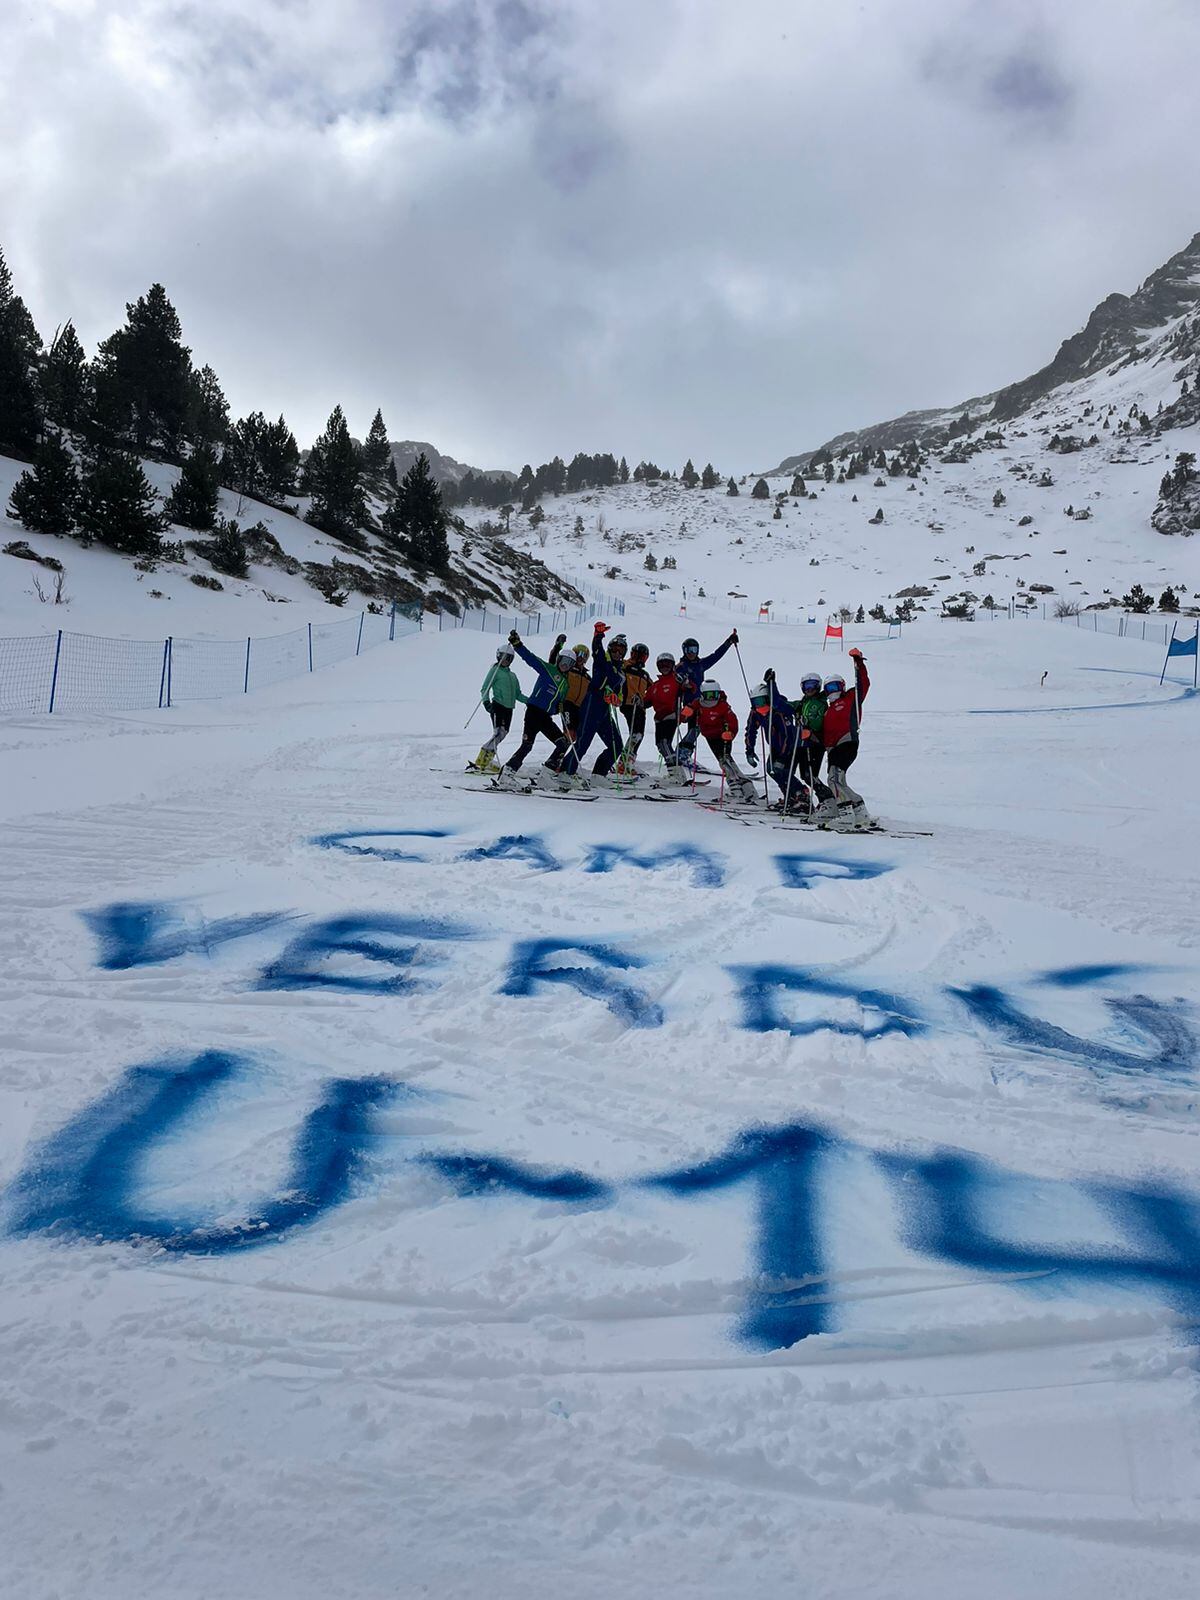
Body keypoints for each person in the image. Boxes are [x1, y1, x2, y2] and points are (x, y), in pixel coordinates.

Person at [497, 631, 573, 787]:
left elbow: (558, 703)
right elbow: (530, 658)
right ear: (559, 659)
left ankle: (547, 774)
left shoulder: (566, 684)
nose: (565, 665)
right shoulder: (548, 670)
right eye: (563, 660)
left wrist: (558, 708)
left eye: (569, 663)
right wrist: (517, 644)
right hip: (533, 712)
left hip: (545, 717)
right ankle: (507, 773)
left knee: (563, 744)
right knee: (527, 745)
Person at [680, 680, 758, 803]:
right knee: (726, 761)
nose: (711, 699)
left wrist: (730, 733)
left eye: (714, 695)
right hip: (710, 737)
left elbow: (732, 721)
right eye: (709, 695)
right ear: (703, 694)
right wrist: (686, 712)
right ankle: (747, 787)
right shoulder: (698, 704)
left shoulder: (723, 706)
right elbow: (685, 715)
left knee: (725, 761)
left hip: (723, 737)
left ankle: (736, 789)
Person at [744, 670, 812, 812]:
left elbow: (787, 735)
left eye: (761, 701)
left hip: (790, 746)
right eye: (755, 702)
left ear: (768, 699)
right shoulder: (756, 713)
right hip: (775, 747)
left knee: (781, 770)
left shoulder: (778, 712)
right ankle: (790, 796)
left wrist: (781, 757)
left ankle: (801, 794)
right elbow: (751, 730)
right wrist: (749, 750)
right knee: (772, 770)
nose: (758, 705)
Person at [821, 648, 871, 827]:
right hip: (834, 750)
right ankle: (860, 811)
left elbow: (863, 684)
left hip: (847, 742)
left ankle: (845, 813)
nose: (832, 691)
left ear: (841, 687)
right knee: (839, 780)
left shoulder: (851, 698)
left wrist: (859, 663)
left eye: (835, 687)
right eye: (828, 689)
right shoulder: (828, 710)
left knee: (833, 780)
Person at [676, 630, 739, 764]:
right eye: (688, 650)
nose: (691, 652)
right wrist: (684, 683)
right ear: (684, 651)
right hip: (690, 706)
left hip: (704, 704)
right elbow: (676, 678)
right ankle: (682, 752)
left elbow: (716, 655)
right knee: (695, 728)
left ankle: (684, 752)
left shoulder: (700, 664)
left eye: (694, 649)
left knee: (698, 729)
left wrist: (728, 642)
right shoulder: (681, 666)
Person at [473, 645, 527, 772]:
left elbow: (518, 694)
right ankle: (483, 759)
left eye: (509, 658)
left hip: (509, 708)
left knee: (504, 733)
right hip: (498, 705)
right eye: (503, 657)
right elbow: (485, 688)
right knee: (498, 732)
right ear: (498, 656)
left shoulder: (513, 676)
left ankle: (486, 757)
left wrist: (530, 702)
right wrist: (486, 703)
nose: (506, 660)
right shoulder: (494, 671)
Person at [588, 623, 629, 779]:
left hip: (604, 711)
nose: (617, 653)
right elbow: (596, 650)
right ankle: (563, 770)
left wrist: (614, 700)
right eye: (614, 649)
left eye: (621, 651)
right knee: (582, 743)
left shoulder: (621, 672)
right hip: (591, 706)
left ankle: (599, 775)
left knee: (616, 745)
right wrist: (598, 635)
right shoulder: (604, 659)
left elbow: (620, 698)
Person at [790, 670, 835, 811]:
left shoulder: (819, 703)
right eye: (806, 686)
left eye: (812, 686)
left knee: (809, 774)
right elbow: (790, 705)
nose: (809, 689)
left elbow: (818, 722)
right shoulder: (805, 702)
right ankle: (825, 801)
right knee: (805, 774)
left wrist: (807, 723)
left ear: (818, 687)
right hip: (806, 743)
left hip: (815, 743)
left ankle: (828, 800)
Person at [646, 650, 688, 780]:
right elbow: (647, 701)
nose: (665, 667)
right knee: (661, 745)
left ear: (672, 666)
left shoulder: (675, 679)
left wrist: (685, 684)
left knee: (664, 743)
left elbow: (690, 689)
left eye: (667, 665)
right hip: (659, 719)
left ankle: (676, 774)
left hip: (671, 715)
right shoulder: (655, 685)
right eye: (662, 665)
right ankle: (675, 772)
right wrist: (639, 701)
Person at [617, 642, 653, 773]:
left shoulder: (644, 674)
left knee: (639, 735)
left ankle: (627, 762)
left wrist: (647, 702)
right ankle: (623, 763)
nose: (638, 658)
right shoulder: (625, 666)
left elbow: (653, 689)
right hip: (628, 703)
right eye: (636, 655)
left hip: (639, 707)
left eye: (642, 657)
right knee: (636, 734)